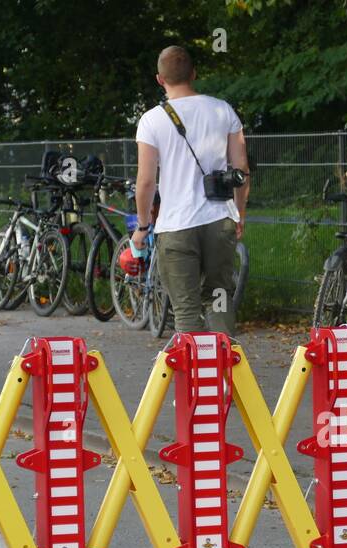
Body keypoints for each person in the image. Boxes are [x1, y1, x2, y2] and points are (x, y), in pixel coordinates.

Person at [131, 45, 249, 334]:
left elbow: (146, 181)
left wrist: (143, 225)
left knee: (185, 310)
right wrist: (239, 214)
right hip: (219, 221)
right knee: (219, 298)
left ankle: (195, 376)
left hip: (175, 226)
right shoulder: (223, 110)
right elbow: (242, 172)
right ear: (194, 74)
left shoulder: (151, 120)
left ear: (160, 79)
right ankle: (225, 373)